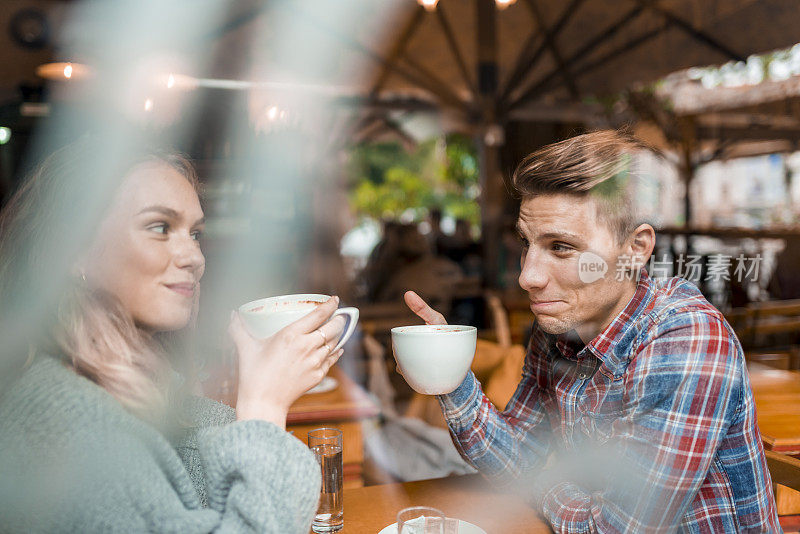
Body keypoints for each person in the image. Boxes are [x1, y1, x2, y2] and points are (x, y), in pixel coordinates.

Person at [404, 130, 780, 532]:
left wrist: (546, 483)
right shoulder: (556, 333)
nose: (527, 276)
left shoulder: (686, 341)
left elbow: (614, 529)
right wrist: (449, 374)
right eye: (526, 243)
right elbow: (517, 460)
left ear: (635, 249)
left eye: (561, 247)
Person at [0, 138, 345, 533]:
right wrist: (264, 406)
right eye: (160, 228)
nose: (194, 258)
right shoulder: (73, 425)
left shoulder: (66, 381)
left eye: (195, 234)